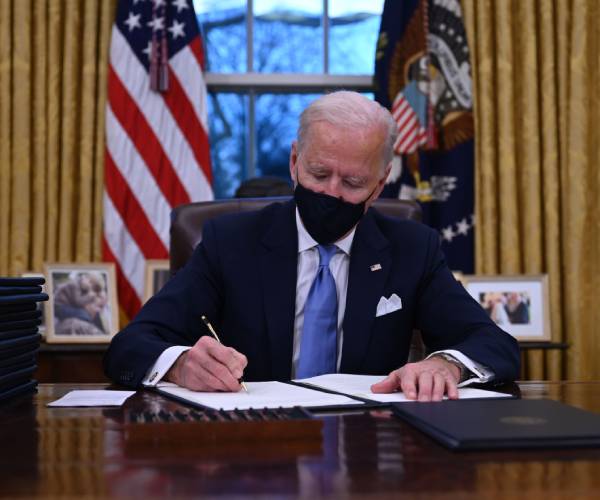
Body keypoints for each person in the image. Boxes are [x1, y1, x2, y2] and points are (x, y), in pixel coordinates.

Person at [104, 91, 519, 401]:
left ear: (380, 184)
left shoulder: (413, 248)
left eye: (353, 182)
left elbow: (493, 344)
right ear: (294, 162)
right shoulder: (229, 242)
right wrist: (179, 366)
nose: (332, 193)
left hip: (369, 449)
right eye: (319, 174)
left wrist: (444, 364)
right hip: (253, 446)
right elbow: (133, 344)